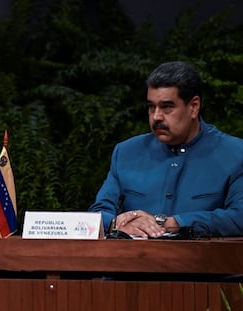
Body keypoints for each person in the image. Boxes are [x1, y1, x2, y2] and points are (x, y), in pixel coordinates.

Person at [89, 61, 243, 238]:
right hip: (130, 261)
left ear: (194, 107)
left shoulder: (235, 154)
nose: (156, 117)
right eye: (151, 107)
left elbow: (239, 216)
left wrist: (174, 223)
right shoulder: (126, 153)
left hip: (204, 262)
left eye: (167, 107)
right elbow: (99, 214)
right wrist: (119, 224)